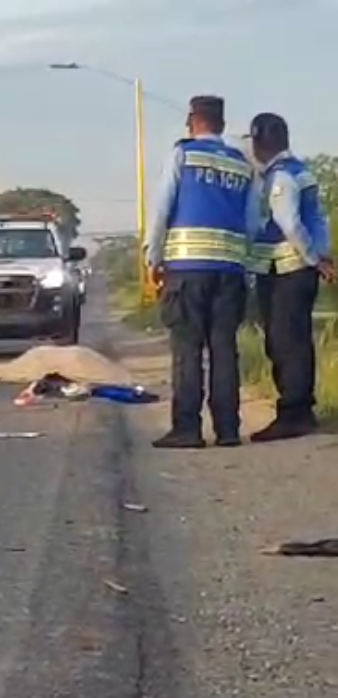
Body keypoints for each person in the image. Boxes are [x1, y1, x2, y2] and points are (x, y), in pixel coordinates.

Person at [143, 95, 264, 449]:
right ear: (222, 124)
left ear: (192, 121)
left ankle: (187, 429)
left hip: (186, 270)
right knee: (224, 349)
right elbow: (253, 222)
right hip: (230, 270)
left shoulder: (183, 154)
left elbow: (161, 210)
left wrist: (153, 258)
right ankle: (228, 430)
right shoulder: (242, 164)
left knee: (187, 350)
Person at [246, 112, 335, 440]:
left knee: (285, 343)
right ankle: (299, 410)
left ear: (260, 143)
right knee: (295, 340)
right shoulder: (301, 171)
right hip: (297, 272)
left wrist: (313, 259)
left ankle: (294, 414)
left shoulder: (280, 177)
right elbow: (318, 222)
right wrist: (321, 256)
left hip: (287, 271)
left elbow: (290, 225)